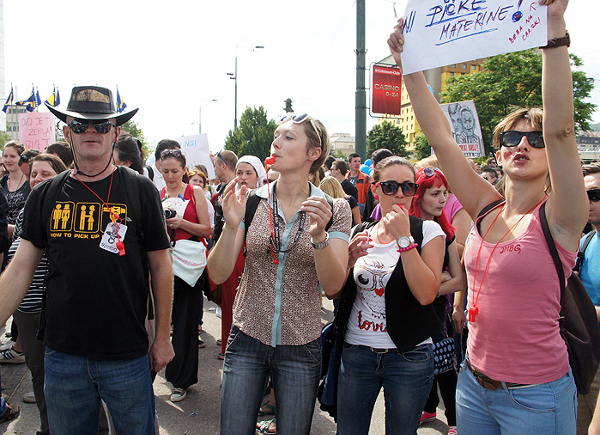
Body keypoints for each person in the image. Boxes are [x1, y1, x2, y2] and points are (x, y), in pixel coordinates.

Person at [388, 1, 587, 432]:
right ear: (498, 151)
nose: (523, 144)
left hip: (536, 397)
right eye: (512, 137)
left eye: (534, 139)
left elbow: (561, 130)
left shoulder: (562, 217)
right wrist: (410, 64)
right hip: (473, 387)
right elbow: (440, 138)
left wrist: (554, 24)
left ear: (551, 156)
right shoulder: (485, 206)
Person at [0, 85, 175, 434]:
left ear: (116, 132)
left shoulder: (140, 190)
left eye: (101, 124)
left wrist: (163, 337)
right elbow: (19, 268)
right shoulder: (45, 194)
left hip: (127, 353)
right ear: (67, 132)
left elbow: (160, 265)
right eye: (80, 125)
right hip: (63, 355)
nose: (91, 132)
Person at [207, 112, 351, 435]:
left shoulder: (334, 209)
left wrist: (319, 238)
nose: (276, 142)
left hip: (302, 345)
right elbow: (217, 273)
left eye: (288, 137)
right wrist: (231, 227)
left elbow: (332, 286)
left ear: (313, 154)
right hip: (247, 337)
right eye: (276, 136)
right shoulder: (252, 201)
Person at [335, 156, 445, 435]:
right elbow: (332, 290)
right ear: (375, 190)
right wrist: (347, 261)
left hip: (409, 355)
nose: (399, 194)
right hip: (358, 352)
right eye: (390, 186)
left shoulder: (428, 231)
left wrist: (405, 240)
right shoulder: (360, 232)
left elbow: (426, 295)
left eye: (408, 187)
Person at [7, 154, 67, 435]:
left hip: (52, 311)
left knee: (66, 383)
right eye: (33, 174)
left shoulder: (64, 209)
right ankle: (48, 428)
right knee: (39, 376)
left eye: (45, 173)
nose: (37, 179)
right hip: (25, 310)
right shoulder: (26, 210)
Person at [409, 166, 465, 435]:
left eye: (445, 193)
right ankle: (429, 407)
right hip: (405, 313)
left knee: (444, 367)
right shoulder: (405, 228)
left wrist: (431, 287)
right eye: (435, 193)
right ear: (419, 196)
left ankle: (454, 421)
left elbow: (459, 280)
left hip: (435, 313)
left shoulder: (447, 232)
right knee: (413, 365)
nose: (443, 199)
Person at [160, 148, 211, 403]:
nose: (170, 176)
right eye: (165, 171)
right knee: (158, 324)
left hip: (188, 267)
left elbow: (208, 230)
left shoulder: (195, 192)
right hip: (162, 265)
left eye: (175, 171)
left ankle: (181, 380)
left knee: (184, 324)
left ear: (184, 169)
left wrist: (181, 224)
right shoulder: (156, 193)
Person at [577, 163, 600, 435]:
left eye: (595, 194)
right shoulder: (586, 241)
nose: (588, 202)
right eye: (583, 194)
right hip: (584, 359)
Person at [1, 141, 31, 239]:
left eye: (12, 156)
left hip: (23, 236)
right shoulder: (2, 182)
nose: (8, 160)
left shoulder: (29, 181)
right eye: (5, 156)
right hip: (3, 237)